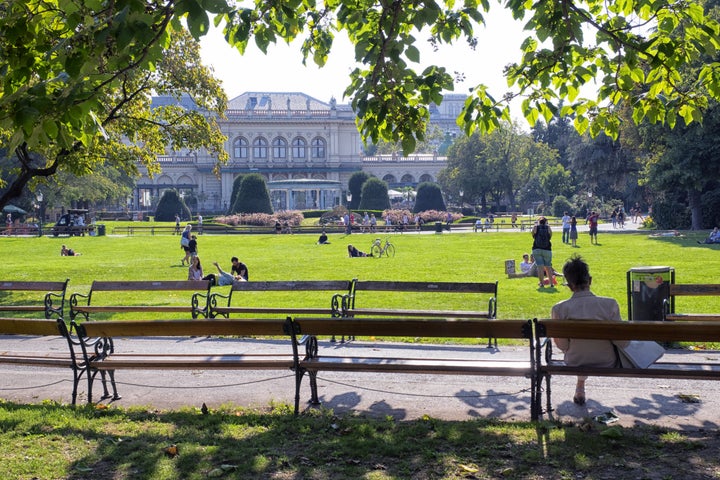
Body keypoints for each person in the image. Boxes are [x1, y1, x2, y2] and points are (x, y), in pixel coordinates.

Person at [551, 254, 628, 405]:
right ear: (590, 280)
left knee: (581, 350)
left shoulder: (559, 309)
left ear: (569, 285)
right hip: (606, 361)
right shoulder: (610, 305)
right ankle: (580, 387)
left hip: (574, 361)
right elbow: (622, 342)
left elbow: (563, 346)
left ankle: (580, 387)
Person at [531, 217, 556, 288]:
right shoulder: (548, 227)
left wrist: (535, 225)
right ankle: (551, 283)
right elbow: (550, 235)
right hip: (547, 249)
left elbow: (533, 234)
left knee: (540, 267)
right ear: (546, 222)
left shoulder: (536, 227)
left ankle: (541, 283)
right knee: (548, 267)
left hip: (537, 249)